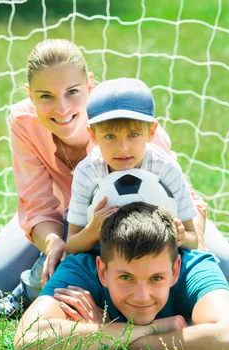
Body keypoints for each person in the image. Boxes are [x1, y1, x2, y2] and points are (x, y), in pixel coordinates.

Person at [0, 38, 229, 317]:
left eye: (73, 92)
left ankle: (209, 297)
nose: (62, 108)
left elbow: (189, 200)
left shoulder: (134, 125)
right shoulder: (25, 123)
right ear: (31, 96)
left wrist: (191, 240)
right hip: (71, 218)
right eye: (46, 96)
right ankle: (25, 295)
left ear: (90, 85)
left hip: (152, 216)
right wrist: (55, 243)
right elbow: (38, 206)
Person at [14, 202, 229, 350]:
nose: (142, 296)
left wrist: (106, 338)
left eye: (156, 279)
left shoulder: (191, 266)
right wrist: (149, 329)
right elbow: (28, 342)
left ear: (175, 269)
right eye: (126, 278)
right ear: (102, 271)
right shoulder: (80, 270)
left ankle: (225, 298)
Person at [65, 77, 199, 256]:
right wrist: (92, 231)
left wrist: (181, 236)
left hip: (158, 259)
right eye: (110, 137)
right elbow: (72, 245)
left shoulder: (166, 169)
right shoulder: (87, 172)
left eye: (133, 134)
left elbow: (193, 239)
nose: (122, 148)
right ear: (93, 135)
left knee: (209, 265)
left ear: (151, 132)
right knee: (68, 270)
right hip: (102, 257)